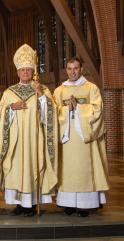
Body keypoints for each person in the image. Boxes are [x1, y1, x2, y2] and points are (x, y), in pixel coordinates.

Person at [0, 44, 58, 216]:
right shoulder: (9, 92)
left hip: (34, 140)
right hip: (15, 141)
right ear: (17, 72)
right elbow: (1, 113)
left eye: (28, 70)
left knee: (33, 168)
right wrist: (11, 108)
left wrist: (43, 98)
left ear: (32, 72)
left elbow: (50, 115)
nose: (25, 73)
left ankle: (31, 204)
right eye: (22, 70)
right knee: (15, 170)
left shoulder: (42, 90)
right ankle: (19, 204)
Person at [53, 57, 109, 217]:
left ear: (82, 69)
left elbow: (98, 110)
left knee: (84, 169)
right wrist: (66, 110)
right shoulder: (60, 90)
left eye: (76, 68)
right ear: (66, 70)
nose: (72, 72)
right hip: (67, 137)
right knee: (67, 170)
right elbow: (54, 113)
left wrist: (78, 108)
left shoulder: (91, 88)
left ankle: (85, 205)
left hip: (84, 137)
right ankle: (68, 204)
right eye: (70, 68)